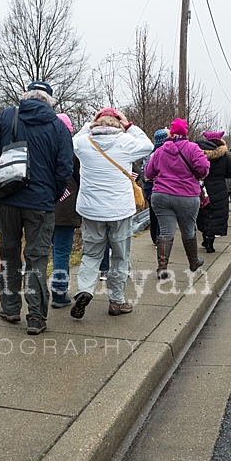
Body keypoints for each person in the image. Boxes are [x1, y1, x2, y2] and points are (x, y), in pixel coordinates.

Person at [0, 81, 73, 335]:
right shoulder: (58, 127)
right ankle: (36, 316)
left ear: (26, 96)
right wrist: (50, 195)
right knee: (37, 258)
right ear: (49, 101)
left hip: (8, 198)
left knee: (9, 252)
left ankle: (10, 308)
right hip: (41, 203)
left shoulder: (7, 116)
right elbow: (64, 168)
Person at [69, 107, 153, 319]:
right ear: (119, 124)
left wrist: (90, 123)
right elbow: (148, 145)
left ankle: (85, 290)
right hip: (120, 211)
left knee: (91, 254)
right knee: (119, 256)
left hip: (91, 211)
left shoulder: (83, 143)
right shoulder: (127, 143)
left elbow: (73, 139)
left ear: (95, 123)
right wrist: (129, 125)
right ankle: (117, 301)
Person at [143, 118, 210, 278]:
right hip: (186, 196)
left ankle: (162, 268)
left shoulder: (160, 150)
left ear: (171, 133)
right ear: (185, 133)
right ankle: (193, 262)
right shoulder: (193, 148)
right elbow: (203, 169)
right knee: (188, 229)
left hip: (161, 195)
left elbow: (148, 173)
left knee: (166, 231)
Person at [50, 113, 81, 309]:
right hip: (66, 208)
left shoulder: (43, 148)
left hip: (42, 205)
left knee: (39, 251)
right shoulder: (73, 153)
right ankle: (59, 292)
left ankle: (33, 293)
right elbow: (80, 179)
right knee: (61, 251)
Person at [195, 130, 231, 253]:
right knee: (217, 213)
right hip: (219, 188)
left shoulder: (199, 154)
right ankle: (210, 241)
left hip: (203, 187)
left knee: (204, 212)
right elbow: (230, 172)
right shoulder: (224, 156)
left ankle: (205, 236)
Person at [144, 129, 169, 245]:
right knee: (162, 215)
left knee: (153, 214)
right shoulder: (165, 154)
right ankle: (160, 237)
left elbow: (144, 173)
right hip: (160, 188)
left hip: (149, 189)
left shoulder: (149, 154)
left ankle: (154, 237)